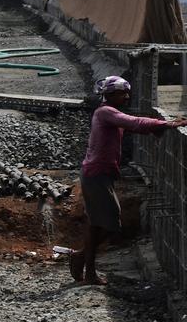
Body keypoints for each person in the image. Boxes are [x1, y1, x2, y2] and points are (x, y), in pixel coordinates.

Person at [73, 76, 187, 285]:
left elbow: (133, 126)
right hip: (96, 174)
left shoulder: (107, 113)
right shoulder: (106, 112)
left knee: (97, 223)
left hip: (97, 173)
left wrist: (156, 128)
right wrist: (167, 124)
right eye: (122, 93)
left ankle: (87, 269)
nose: (126, 97)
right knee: (110, 223)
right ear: (109, 95)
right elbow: (133, 122)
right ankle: (81, 257)